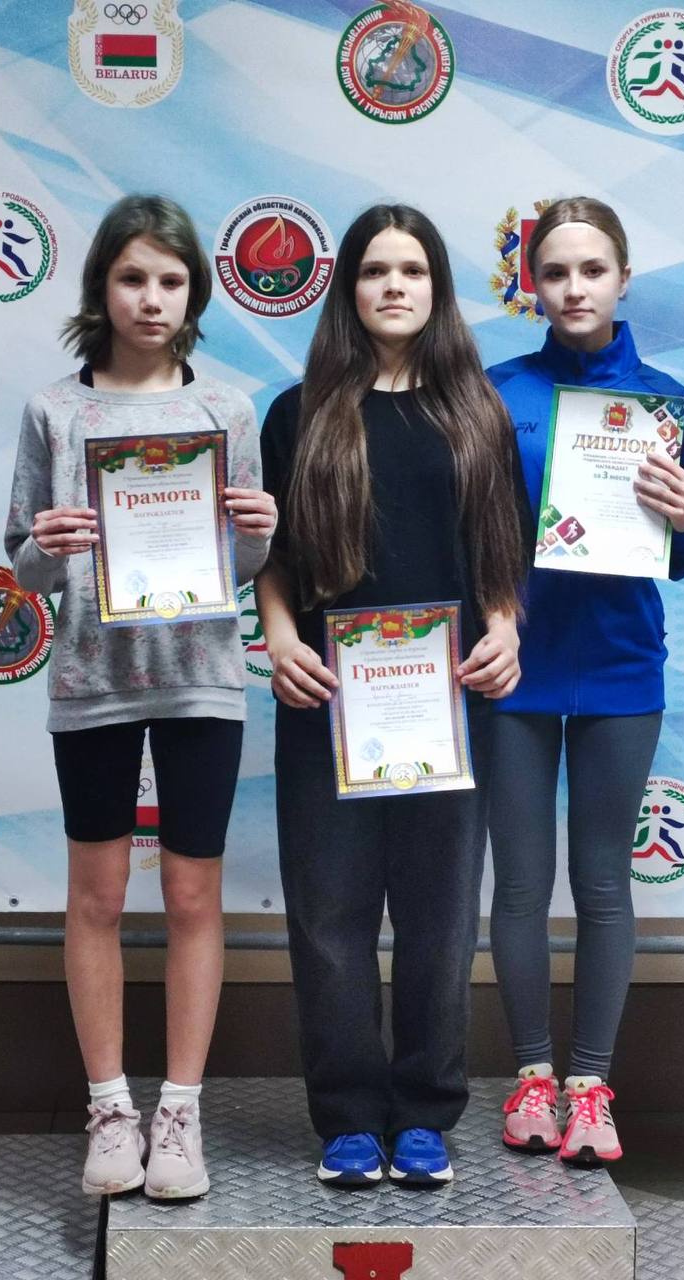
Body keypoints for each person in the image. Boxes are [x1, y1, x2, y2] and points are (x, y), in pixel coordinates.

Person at [4, 194, 275, 1198]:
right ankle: (111, 1107)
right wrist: (47, 547)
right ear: (101, 288)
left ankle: (181, 1112)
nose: (150, 299)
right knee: (99, 896)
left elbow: (243, 565)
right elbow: (24, 567)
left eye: (169, 280)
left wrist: (259, 533)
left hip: (202, 679)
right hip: (93, 680)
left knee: (194, 894)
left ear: (194, 293)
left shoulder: (227, 410)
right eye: (132, 278)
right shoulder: (54, 410)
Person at [255, 204, 530, 1187]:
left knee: (439, 917)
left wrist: (505, 628)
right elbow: (272, 555)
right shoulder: (298, 412)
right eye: (375, 270)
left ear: (437, 287)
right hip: (326, 698)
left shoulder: (476, 411)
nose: (394, 286)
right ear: (349, 289)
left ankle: (422, 1112)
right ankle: (345, 1116)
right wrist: (279, 637)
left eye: (412, 269)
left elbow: (501, 550)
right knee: (328, 918)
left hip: (447, 703)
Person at [487, 196, 684, 1165]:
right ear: (532, 285)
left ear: (623, 278)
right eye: (555, 272)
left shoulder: (667, 404)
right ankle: (531, 1078)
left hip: (622, 665)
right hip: (514, 666)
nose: (574, 288)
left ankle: (588, 1087)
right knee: (520, 883)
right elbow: (467, 533)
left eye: (592, 269)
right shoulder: (496, 392)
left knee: (603, 883)